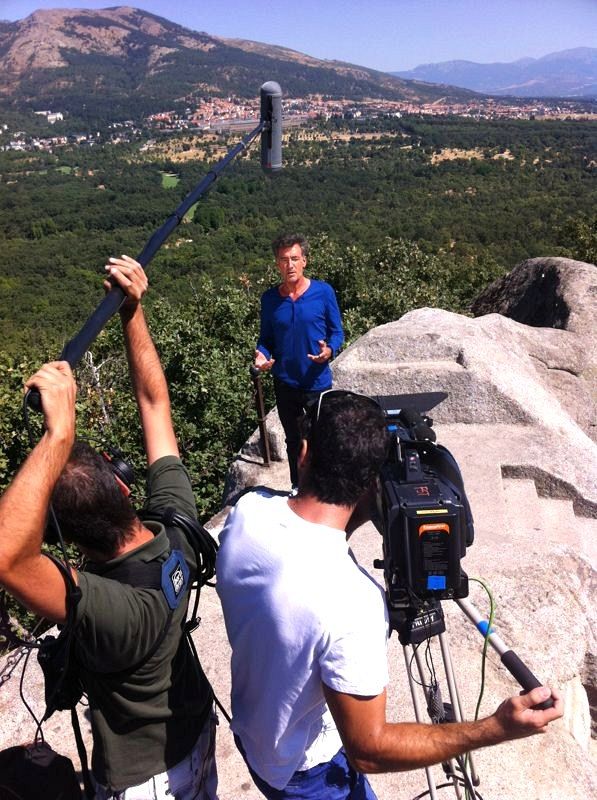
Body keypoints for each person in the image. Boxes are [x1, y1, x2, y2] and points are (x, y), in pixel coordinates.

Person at [216, 390, 563, 800]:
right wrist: (494, 728)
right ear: (374, 482)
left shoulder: (248, 513)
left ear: (304, 453)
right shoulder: (352, 602)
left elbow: (307, 544)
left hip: (257, 735)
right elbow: (370, 750)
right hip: (304, 772)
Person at [0, 256, 218, 799]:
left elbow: (7, 556)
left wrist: (56, 438)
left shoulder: (113, 607)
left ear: (67, 542)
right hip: (195, 730)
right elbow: (154, 402)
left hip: (148, 779)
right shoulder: (176, 532)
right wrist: (132, 311)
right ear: (123, 486)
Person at [254, 232, 344, 488]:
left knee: (321, 439)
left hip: (317, 382)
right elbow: (266, 340)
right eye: (284, 260)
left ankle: (325, 490)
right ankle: (298, 489)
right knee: (293, 441)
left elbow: (337, 332)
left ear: (304, 260)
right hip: (285, 384)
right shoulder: (270, 299)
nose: (289, 265)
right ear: (277, 264)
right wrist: (262, 355)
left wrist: (329, 351)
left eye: (294, 258)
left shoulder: (323, 292)